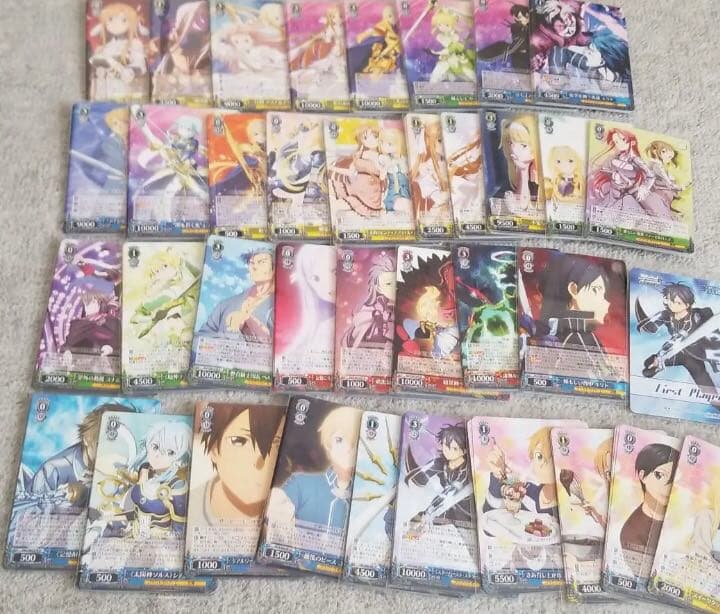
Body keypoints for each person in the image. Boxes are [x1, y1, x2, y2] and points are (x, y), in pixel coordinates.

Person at [189, 404, 284, 525]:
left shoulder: (288, 508)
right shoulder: (187, 506)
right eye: (239, 441)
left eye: (276, 444)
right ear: (214, 450)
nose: (260, 463)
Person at [267, 408, 360, 530]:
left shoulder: (371, 495)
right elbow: (273, 519)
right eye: (339, 440)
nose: (348, 448)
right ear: (328, 445)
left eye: (356, 442)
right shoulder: (301, 483)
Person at [636, 283, 720, 393]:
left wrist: (661, 355)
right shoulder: (666, 315)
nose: (673, 305)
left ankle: (714, 398)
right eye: (671, 300)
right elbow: (650, 327)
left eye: (678, 302)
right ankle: (715, 399)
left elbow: (681, 337)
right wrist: (644, 325)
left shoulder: (696, 316)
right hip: (683, 352)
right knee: (648, 366)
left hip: (701, 349)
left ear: (687, 304)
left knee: (697, 369)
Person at [620, 443, 679, 578]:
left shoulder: (681, 518)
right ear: (643, 476)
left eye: (673, 479)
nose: (667, 486)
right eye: (660, 475)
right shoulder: (632, 532)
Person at [404, 423, 474, 537]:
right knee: (420, 525)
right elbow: (418, 477)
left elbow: (450, 492)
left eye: (454, 448)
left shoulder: (466, 472)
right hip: (447, 507)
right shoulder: (441, 463)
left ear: (465, 451)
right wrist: (411, 478)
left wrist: (428, 512)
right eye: (446, 446)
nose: (448, 451)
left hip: (465, 512)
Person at [197, 248, 274, 343]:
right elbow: (200, 339)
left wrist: (250, 321)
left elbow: (283, 343)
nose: (254, 267)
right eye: (251, 263)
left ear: (274, 268)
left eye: (262, 262)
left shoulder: (282, 305)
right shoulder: (225, 305)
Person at [88, 2, 148, 100]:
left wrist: (127, 71)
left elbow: (140, 66)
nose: (116, 24)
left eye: (123, 20)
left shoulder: (135, 44)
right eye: (110, 19)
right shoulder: (103, 48)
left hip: (124, 91)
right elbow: (95, 67)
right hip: (103, 92)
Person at [342, 251, 395, 348]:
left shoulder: (396, 306)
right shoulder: (368, 309)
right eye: (388, 284)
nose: (394, 288)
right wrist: (376, 315)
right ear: (377, 286)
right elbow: (358, 325)